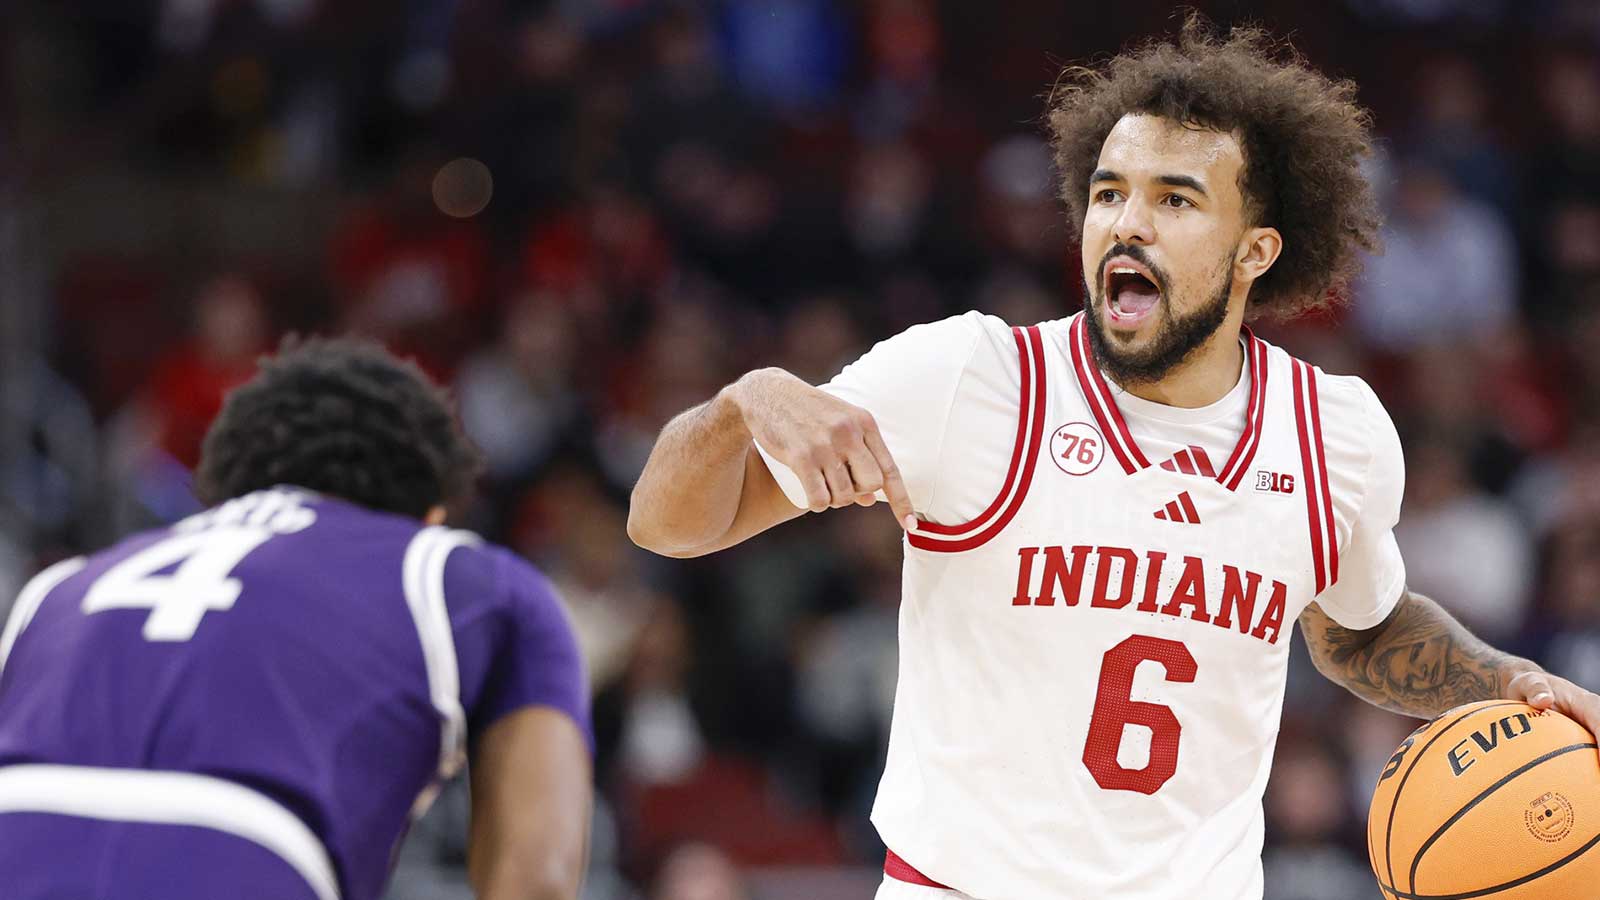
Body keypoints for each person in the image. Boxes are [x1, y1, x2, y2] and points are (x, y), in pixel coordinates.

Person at [626, 18, 1600, 900]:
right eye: (1108, 193)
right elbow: (665, 525)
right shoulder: (969, 378)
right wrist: (740, 402)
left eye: (1174, 199)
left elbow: (1360, 630)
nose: (1126, 222)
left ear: (1255, 250)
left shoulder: (1334, 434)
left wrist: (1498, 679)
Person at [0, 337, 593, 900]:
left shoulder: (56, 588)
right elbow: (536, 879)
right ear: (429, 513)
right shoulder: (460, 573)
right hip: (246, 855)